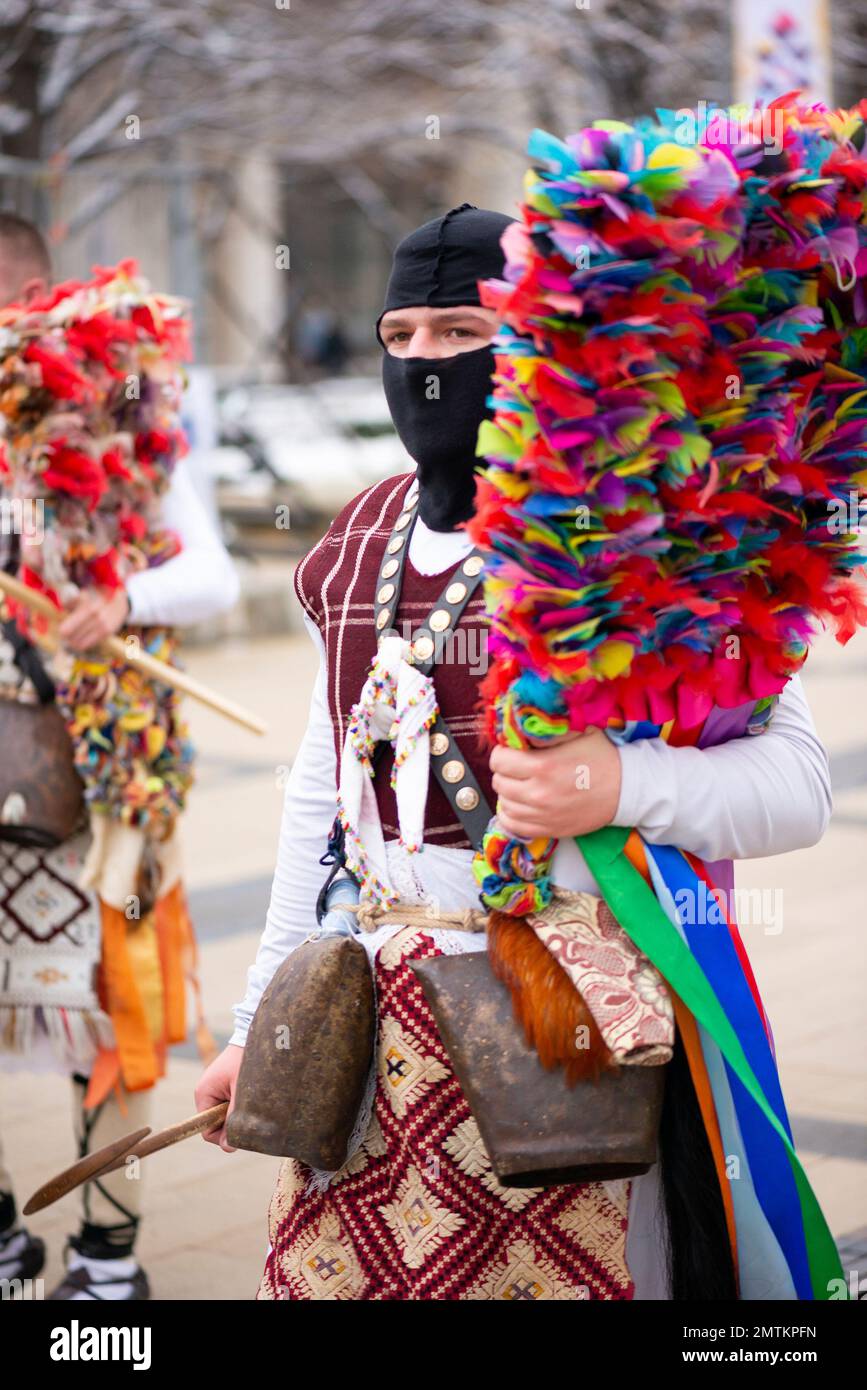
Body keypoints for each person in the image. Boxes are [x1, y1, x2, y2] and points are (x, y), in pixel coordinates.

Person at [196, 203, 831, 1301]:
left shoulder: (645, 542)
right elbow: (322, 797)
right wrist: (257, 1023)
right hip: (372, 1038)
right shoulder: (352, 543)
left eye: (459, 331)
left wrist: (618, 782)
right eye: (401, 337)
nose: (424, 364)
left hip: (573, 1028)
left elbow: (801, 787)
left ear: (533, 339)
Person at [0, 214, 240, 1300]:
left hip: (102, 780)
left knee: (108, 1008)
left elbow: (218, 580)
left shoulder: (126, 413)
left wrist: (121, 602)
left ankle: (107, 1257)